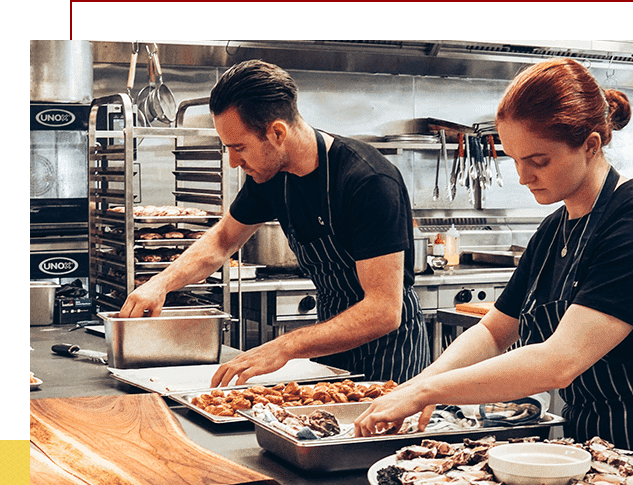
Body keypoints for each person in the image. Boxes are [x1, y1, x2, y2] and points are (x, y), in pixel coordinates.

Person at [354, 58, 633, 485]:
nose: (523, 177)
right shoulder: (553, 231)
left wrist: (429, 393)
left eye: (537, 160)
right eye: (515, 159)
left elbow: (559, 361)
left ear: (591, 145)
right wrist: (417, 384)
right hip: (598, 450)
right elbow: (494, 332)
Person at [120, 59, 429, 386]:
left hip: (390, 357)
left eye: (239, 148)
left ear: (277, 132)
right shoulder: (270, 178)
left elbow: (383, 311)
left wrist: (285, 346)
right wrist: (160, 284)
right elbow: (223, 241)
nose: (233, 161)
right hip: (330, 347)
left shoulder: (367, 181)